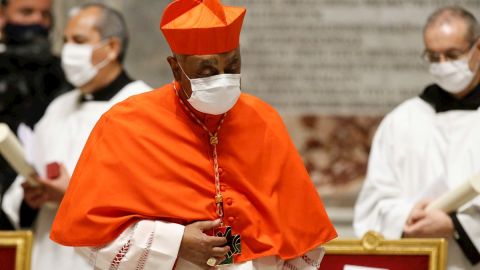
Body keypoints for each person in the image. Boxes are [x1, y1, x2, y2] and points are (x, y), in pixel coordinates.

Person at [50, 0, 337, 269]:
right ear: (176, 69)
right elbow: (90, 237)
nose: (223, 78)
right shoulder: (126, 124)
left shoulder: (263, 119)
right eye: (207, 70)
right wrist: (174, 242)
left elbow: (297, 234)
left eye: (233, 66)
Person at [1, 3, 151, 270]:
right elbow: (17, 201)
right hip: (46, 254)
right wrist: (31, 196)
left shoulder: (143, 108)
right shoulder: (60, 106)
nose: (68, 50)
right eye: (66, 41)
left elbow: (149, 203)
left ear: (112, 47)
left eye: (79, 41)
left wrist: (72, 196)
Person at [354, 6, 480, 270]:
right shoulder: (401, 121)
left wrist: (456, 225)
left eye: (452, 55)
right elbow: (374, 204)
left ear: (477, 49)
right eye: (434, 57)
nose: (443, 65)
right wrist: (407, 216)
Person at [0, 0, 69, 229]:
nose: (38, 22)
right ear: (2, 15)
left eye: (45, 15)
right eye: (26, 12)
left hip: (33, 206)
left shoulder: (61, 76)